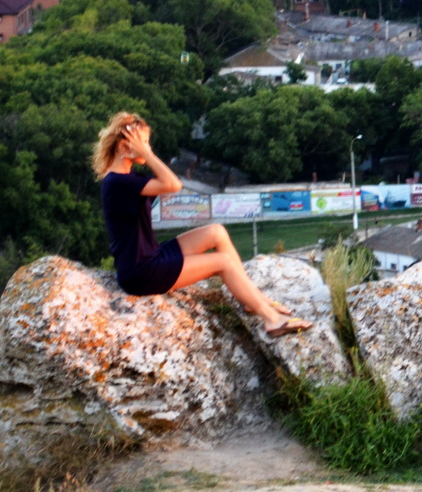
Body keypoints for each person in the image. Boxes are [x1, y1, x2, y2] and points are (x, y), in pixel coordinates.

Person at [93, 111, 311, 338]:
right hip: (141, 273)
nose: (146, 147)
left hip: (150, 256)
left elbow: (167, 183)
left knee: (216, 232)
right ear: (122, 146)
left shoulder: (128, 178)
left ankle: (254, 299)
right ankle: (272, 320)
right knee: (223, 262)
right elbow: (173, 185)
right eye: (141, 142)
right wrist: (146, 154)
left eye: (146, 142)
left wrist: (144, 151)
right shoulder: (119, 183)